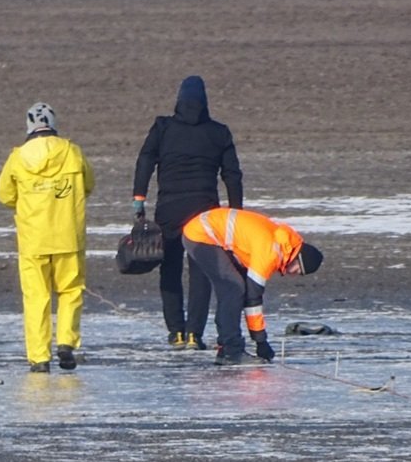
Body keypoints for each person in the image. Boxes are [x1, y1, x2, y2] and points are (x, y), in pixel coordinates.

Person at [133, 75, 243, 350]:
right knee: (201, 272)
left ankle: (176, 333)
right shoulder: (219, 132)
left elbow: (145, 159)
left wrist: (139, 198)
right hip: (205, 214)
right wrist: (235, 212)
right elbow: (232, 175)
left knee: (169, 269)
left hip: (169, 208)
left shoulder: (163, 127)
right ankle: (195, 334)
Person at [0, 102, 94, 373]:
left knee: (36, 297)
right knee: (70, 291)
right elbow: (89, 185)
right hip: (68, 236)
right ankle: (66, 342)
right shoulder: (72, 152)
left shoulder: (18, 157)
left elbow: (5, 196)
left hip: (34, 239)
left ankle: (39, 357)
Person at [181, 207, 323, 365]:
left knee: (233, 288)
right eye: (298, 271)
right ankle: (231, 352)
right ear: (297, 259)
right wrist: (261, 341)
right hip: (201, 235)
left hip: (206, 231)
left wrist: (259, 339)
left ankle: (225, 348)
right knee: (233, 289)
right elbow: (253, 298)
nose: (293, 275)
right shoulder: (271, 251)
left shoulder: (281, 242)